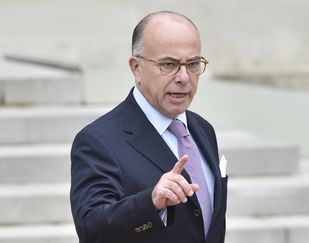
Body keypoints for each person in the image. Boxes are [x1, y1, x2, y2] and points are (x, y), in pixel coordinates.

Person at [70, 11, 227, 243]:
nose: (184, 77)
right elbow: (91, 228)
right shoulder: (98, 140)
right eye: (169, 64)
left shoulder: (202, 130)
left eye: (193, 64)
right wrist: (151, 202)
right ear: (137, 67)